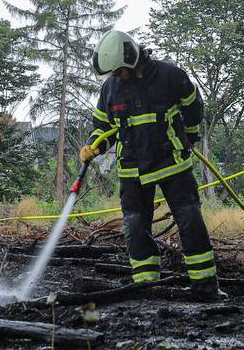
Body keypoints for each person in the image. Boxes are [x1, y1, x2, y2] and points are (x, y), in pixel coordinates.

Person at [82, 29, 225, 301]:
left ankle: (205, 286)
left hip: (172, 164)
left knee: (190, 220)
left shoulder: (170, 76)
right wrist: (94, 146)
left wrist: (190, 137)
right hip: (132, 168)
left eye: (119, 71)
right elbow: (103, 127)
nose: (116, 77)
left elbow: (194, 107)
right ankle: (145, 286)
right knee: (135, 226)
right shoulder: (110, 88)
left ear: (132, 59)